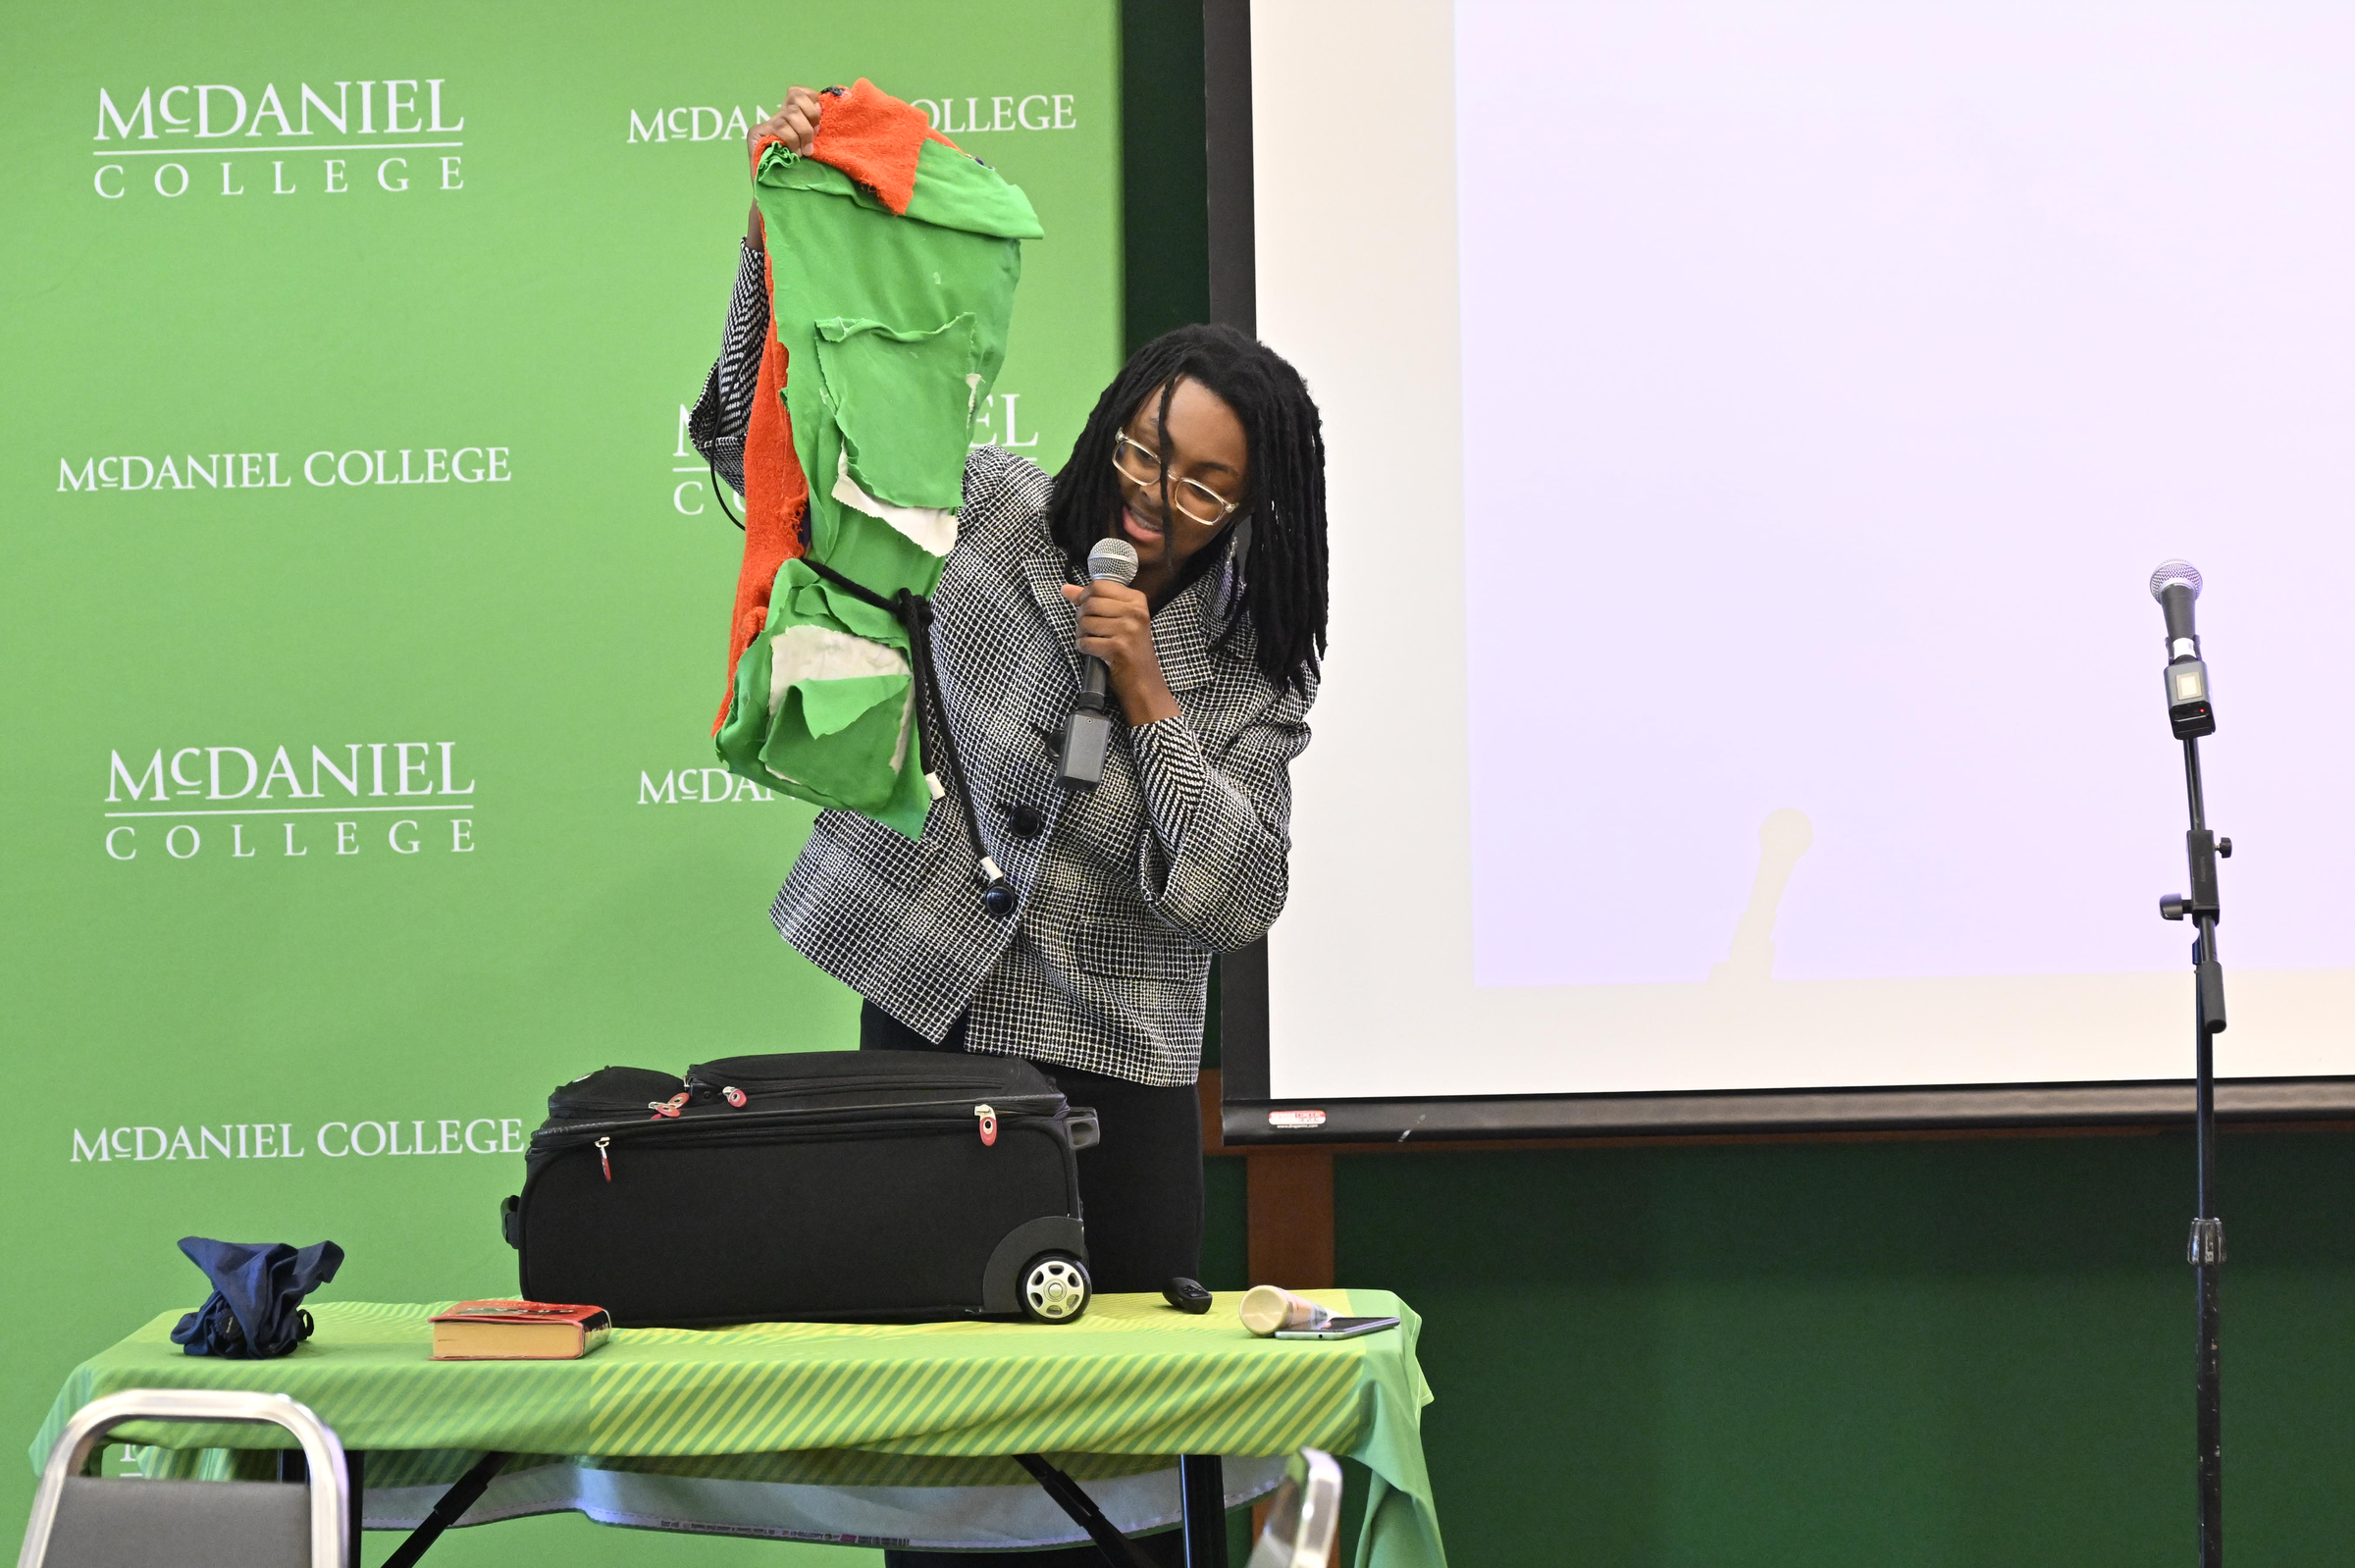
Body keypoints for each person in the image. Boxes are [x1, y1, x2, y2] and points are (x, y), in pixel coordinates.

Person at [692, 85, 1329, 1564]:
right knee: (943, 1460)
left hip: (1122, 1075)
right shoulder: (981, 513)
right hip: (930, 1031)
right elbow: (754, 449)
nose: (1159, 496)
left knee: (1115, 1478)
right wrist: (773, 243)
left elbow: (1237, 893)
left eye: (1206, 484)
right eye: (1148, 451)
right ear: (1114, 424)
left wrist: (1148, 689)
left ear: (1251, 510)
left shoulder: (1246, 666)